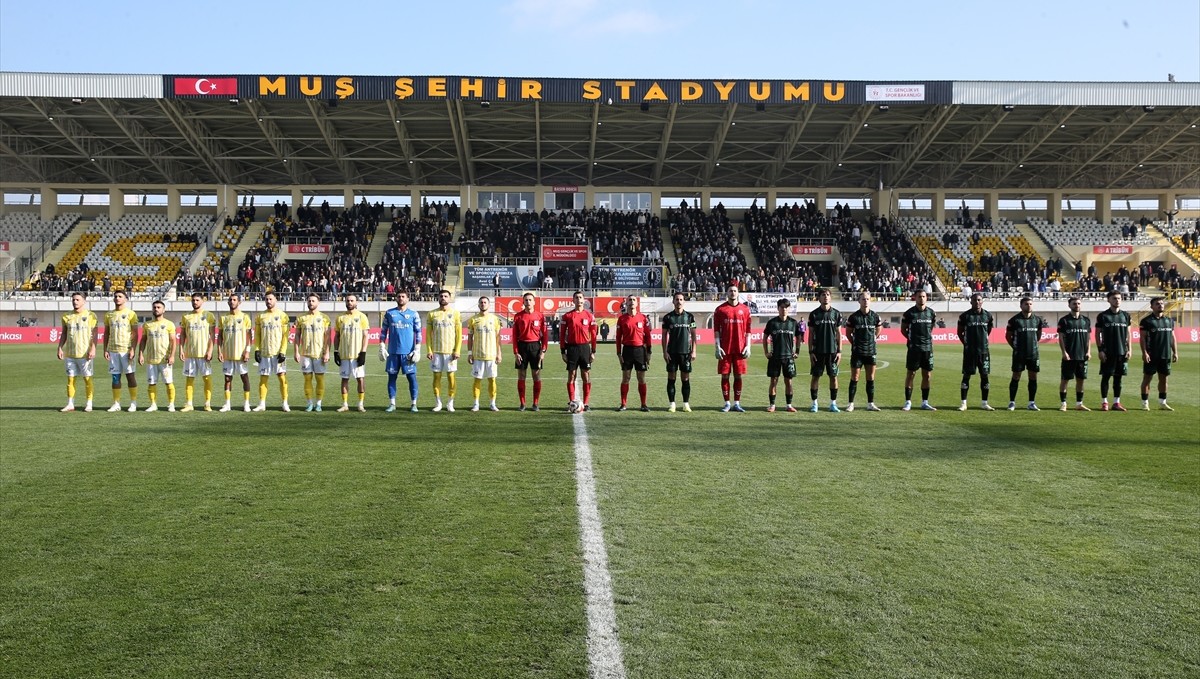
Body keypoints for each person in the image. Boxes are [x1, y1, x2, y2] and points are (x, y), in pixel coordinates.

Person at [380, 290, 422, 412]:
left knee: (412, 378)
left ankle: (414, 404)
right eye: (399, 296)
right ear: (396, 298)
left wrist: (417, 349)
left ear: (407, 299)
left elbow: (418, 332)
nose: (401, 298)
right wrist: (382, 345)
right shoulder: (389, 313)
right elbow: (383, 331)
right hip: (393, 352)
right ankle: (392, 403)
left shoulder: (414, 314)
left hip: (408, 353)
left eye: (403, 296)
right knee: (392, 378)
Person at [713, 283, 752, 412]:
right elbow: (716, 330)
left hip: (740, 349)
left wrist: (748, 346)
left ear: (738, 293)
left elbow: (748, 330)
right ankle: (727, 403)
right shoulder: (720, 310)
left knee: (738, 375)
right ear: (727, 293)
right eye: (730, 291)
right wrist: (717, 346)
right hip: (725, 349)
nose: (733, 293)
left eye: (735, 291)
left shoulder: (745, 310)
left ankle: (737, 403)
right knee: (725, 376)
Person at [57, 291, 97, 412]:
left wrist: (93, 348)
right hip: (70, 354)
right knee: (70, 380)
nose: (75, 302)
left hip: (85, 354)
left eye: (78, 300)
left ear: (84, 301)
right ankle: (70, 404)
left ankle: (89, 403)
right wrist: (60, 347)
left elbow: (95, 334)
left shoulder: (91, 315)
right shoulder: (66, 316)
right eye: (73, 300)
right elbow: (64, 333)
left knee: (87, 379)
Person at [956, 292, 996, 411]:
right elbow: (960, 332)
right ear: (971, 302)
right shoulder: (964, 316)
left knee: (984, 376)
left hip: (984, 351)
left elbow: (988, 330)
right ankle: (963, 403)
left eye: (979, 300)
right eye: (974, 300)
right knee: (966, 376)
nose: (977, 302)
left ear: (982, 301)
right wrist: (967, 344)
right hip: (970, 352)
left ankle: (984, 403)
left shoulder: (988, 316)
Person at [179, 293, 217, 412]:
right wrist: (181, 349)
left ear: (202, 301)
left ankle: (207, 403)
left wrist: (210, 351)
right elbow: (182, 334)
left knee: (207, 379)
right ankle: (189, 404)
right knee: (189, 379)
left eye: (197, 300)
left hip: (204, 354)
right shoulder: (186, 316)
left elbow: (212, 335)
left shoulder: (209, 316)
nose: (195, 302)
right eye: (193, 300)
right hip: (190, 353)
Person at [845, 290, 882, 412]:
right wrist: (855, 344)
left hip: (871, 351)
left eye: (867, 299)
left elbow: (879, 328)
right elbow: (848, 333)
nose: (865, 301)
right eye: (863, 299)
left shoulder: (875, 316)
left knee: (870, 378)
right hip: (858, 352)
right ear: (859, 301)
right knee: (855, 377)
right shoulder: (853, 317)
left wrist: (874, 338)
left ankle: (870, 403)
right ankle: (851, 404)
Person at [1139, 296, 1179, 411]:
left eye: (1161, 303)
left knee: (1164, 379)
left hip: (1165, 355)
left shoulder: (1169, 321)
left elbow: (1172, 337)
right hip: (1151, 355)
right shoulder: (1146, 321)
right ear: (1152, 307)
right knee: (1147, 379)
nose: (1160, 305)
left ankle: (1162, 403)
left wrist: (1175, 352)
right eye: (1157, 304)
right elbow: (1142, 338)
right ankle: (1145, 403)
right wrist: (1144, 353)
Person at [253, 291, 290, 412]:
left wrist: (283, 351)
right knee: (263, 378)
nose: (268, 301)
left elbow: (285, 336)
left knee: (282, 378)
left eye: (270, 299)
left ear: (275, 300)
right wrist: (257, 350)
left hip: (278, 352)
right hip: (265, 352)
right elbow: (257, 335)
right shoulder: (260, 316)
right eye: (266, 299)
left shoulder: (283, 316)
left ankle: (285, 403)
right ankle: (262, 404)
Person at [807, 288, 843, 413]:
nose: (826, 297)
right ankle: (814, 404)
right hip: (818, 352)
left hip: (832, 352)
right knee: (815, 377)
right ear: (819, 298)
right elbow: (810, 335)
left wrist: (839, 351)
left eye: (828, 294)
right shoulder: (814, 314)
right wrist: (810, 352)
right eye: (823, 295)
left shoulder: (836, 314)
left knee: (833, 377)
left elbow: (839, 334)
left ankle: (833, 404)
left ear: (830, 297)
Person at [294, 292, 331, 412]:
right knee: (307, 379)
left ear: (318, 302)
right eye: (309, 301)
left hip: (319, 354)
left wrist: (327, 352)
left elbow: (328, 337)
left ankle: (318, 403)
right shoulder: (301, 318)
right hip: (305, 354)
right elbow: (297, 336)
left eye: (313, 301)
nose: (311, 303)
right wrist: (296, 351)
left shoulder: (325, 318)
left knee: (320, 379)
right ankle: (309, 403)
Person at [426, 289, 462, 412]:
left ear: (449, 298)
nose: (443, 298)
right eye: (441, 296)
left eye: (446, 296)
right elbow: (428, 335)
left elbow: (459, 334)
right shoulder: (432, 314)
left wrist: (457, 350)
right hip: (436, 352)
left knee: (451, 377)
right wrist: (429, 350)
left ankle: (450, 403)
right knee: (436, 377)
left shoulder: (455, 313)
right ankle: (438, 403)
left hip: (450, 352)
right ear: (438, 298)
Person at [660, 291, 697, 413]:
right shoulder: (668, 317)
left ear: (684, 301)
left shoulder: (690, 317)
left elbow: (694, 335)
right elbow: (664, 336)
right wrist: (664, 352)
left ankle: (686, 404)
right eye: (677, 299)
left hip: (686, 353)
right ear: (673, 301)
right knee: (671, 378)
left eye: (681, 299)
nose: (679, 302)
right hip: (672, 353)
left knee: (685, 379)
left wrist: (694, 351)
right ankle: (672, 404)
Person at [560, 290, 597, 411]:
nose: (578, 299)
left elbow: (593, 334)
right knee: (572, 375)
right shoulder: (567, 316)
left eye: (580, 297)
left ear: (584, 300)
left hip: (585, 348)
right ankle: (572, 402)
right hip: (572, 348)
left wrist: (593, 351)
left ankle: (586, 403)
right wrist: (563, 351)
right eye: (576, 297)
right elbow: (562, 335)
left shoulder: (589, 316)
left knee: (586, 375)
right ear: (573, 300)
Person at [900, 290, 937, 411]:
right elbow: (903, 330)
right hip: (914, 349)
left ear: (926, 298)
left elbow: (931, 328)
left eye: (923, 296)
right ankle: (908, 402)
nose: (921, 299)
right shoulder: (909, 313)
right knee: (911, 374)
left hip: (927, 348)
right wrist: (912, 339)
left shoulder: (931, 313)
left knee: (927, 375)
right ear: (915, 298)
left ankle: (925, 402)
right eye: (919, 297)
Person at [1095, 291, 1132, 411]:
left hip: (1122, 352)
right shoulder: (1103, 316)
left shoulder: (1126, 315)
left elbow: (1129, 334)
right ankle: (1104, 402)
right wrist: (1100, 350)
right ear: (1109, 300)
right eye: (1114, 298)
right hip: (1108, 352)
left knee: (1118, 378)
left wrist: (1129, 349)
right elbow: (1097, 334)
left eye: (1119, 298)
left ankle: (1116, 403)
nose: (1117, 300)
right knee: (1106, 377)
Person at [137, 299, 176, 412]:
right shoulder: (147, 325)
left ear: (164, 310)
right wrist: (140, 354)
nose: (156, 309)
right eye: (154, 307)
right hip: (151, 360)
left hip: (165, 359)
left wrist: (172, 355)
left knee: (168, 382)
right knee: (151, 383)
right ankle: (153, 404)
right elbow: (143, 340)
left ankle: (171, 404)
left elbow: (173, 341)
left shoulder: (169, 324)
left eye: (159, 307)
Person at [103, 290, 140, 412]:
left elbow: (135, 333)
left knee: (130, 376)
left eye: (120, 296)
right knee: (115, 378)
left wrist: (133, 349)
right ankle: (116, 403)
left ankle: (133, 403)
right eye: (115, 296)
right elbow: (106, 333)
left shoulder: (131, 314)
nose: (117, 298)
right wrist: (105, 349)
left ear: (125, 299)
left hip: (126, 350)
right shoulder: (109, 315)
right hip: (113, 350)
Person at [512, 292, 548, 411]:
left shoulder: (540, 316)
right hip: (522, 347)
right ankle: (522, 404)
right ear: (523, 302)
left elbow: (545, 336)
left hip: (535, 347)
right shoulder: (518, 316)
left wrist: (543, 351)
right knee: (521, 375)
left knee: (536, 375)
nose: (528, 302)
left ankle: (535, 403)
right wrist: (516, 352)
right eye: (526, 300)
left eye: (530, 300)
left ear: (534, 302)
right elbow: (514, 336)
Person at [615, 294, 652, 411]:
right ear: (626, 303)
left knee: (641, 378)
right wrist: (618, 353)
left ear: (637, 303)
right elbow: (618, 337)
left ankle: (643, 404)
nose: (631, 302)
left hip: (640, 351)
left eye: (633, 300)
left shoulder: (643, 318)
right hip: (627, 351)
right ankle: (623, 404)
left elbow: (648, 336)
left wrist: (649, 352)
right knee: (626, 378)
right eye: (629, 300)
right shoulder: (622, 319)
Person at [217, 293, 253, 412]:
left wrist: (247, 351)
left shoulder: (245, 317)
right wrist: (219, 351)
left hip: (241, 354)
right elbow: (220, 336)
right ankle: (227, 404)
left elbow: (249, 336)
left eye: (234, 300)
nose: (232, 302)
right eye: (230, 300)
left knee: (244, 378)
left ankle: (246, 403)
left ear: (239, 302)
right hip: (228, 354)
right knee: (227, 379)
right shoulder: (223, 318)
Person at [763, 298, 800, 412]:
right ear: (778, 308)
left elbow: (799, 337)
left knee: (788, 381)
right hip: (775, 357)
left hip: (788, 357)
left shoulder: (793, 323)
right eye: (782, 307)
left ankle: (789, 405)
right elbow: (765, 337)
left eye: (786, 307)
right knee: (773, 381)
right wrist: (766, 352)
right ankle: (772, 405)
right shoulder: (772, 323)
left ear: (789, 309)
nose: (784, 309)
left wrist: (797, 351)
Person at [466, 295, 503, 411]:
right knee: (477, 379)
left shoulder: (495, 319)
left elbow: (498, 338)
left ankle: (492, 403)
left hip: (492, 355)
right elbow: (470, 338)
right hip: (478, 355)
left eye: (485, 302)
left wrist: (499, 353)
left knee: (492, 380)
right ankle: (476, 403)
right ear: (478, 305)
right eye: (481, 302)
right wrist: (469, 353)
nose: (483, 304)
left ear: (489, 305)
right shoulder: (473, 319)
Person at [335, 294, 370, 412]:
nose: (349, 302)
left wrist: (363, 352)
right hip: (344, 354)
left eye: (352, 300)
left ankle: (360, 404)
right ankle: (345, 404)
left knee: (360, 378)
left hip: (357, 354)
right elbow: (337, 336)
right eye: (348, 300)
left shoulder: (362, 316)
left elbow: (365, 336)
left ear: (356, 302)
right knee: (344, 379)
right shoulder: (340, 318)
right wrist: (336, 351)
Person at [1057, 296, 1092, 411]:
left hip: (1082, 356)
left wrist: (1088, 351)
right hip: (1069, 356)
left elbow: (1088, 338)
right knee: (1065, 380)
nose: (1077, 305)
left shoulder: (1086, 320)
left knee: (1081, 380)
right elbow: (1061, 338)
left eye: (1078, 303)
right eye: (1074, 304)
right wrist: (1064, 352)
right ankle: (1063, 403)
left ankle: (1079, 404)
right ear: (1069, 305)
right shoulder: (1064, 320)